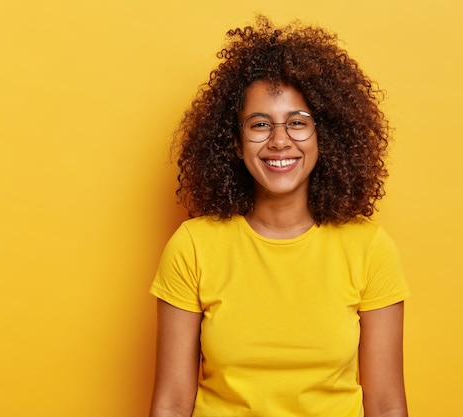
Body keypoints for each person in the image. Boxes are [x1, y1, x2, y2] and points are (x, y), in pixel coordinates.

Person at [149, 15, 410, 417]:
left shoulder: (369, 248)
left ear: (326, 135)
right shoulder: (193, 246)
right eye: (259, 124)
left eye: (298, 123)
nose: (279, 141)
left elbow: (387, 404)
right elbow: (170, 404)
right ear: (235, 143)